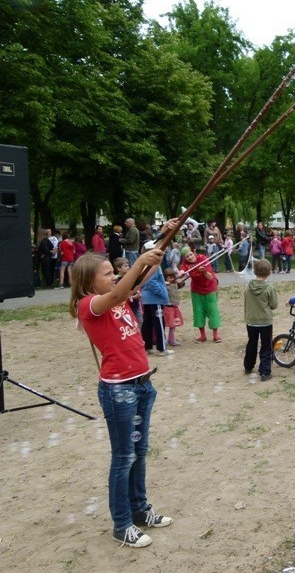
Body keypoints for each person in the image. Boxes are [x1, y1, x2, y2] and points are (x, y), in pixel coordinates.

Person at [69, 221, 177, 549]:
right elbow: (120, 289)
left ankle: (140, 510)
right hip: (119, 391)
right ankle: (122, 524)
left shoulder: (115, 296)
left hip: (142, 386)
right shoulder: (90, 305)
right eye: (106, 273)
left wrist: (160, 241)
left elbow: (134, 281)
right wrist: (142, 259)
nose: (113, 276)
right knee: (124, 457)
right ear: (89, 282)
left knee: (140, 452)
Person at [243, 259, 278, 381]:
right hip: (265, 321)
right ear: (269, 272)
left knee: (252, 343)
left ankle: (248, 366)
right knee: (266, 345)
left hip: (251, 320)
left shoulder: (247, 286)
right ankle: (265, 372)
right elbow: (274, 305)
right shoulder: (269, 288)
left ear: (254, 271)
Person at [178, 246, 222, 343]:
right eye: (187, 256)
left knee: (212, 310)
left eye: (190, 254)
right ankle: (202, 336)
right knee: (198, 311)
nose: (190, 257)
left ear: (193, 252)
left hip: (210, 288)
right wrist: (180, 273)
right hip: (196, 290)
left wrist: (204, 271)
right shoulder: (185, 264)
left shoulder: (203, 259)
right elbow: (182, 271)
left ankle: (216, 335)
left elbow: (210, 277)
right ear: (184, 258)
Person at [140, 246, 172, 356]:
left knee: (147, 323)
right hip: (155, 298)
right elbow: (151, 281)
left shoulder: (144, 265)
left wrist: (163, 284)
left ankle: (147, 347)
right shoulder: (153, 265)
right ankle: (162, 348)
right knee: (159, 323)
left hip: (147, 298)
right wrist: (161, 292)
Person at [162, 268, 184, 347]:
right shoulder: (165, 285)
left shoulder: (175, 284)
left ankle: (171, 339)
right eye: (169, 277)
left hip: (174, 306)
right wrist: (165, 283)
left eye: (172, 277)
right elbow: (162, 285)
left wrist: (181, 278)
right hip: (168, 307)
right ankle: (166, 339)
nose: (171, 278)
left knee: (173, 325)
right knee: (169, 324)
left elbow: (181, 284)